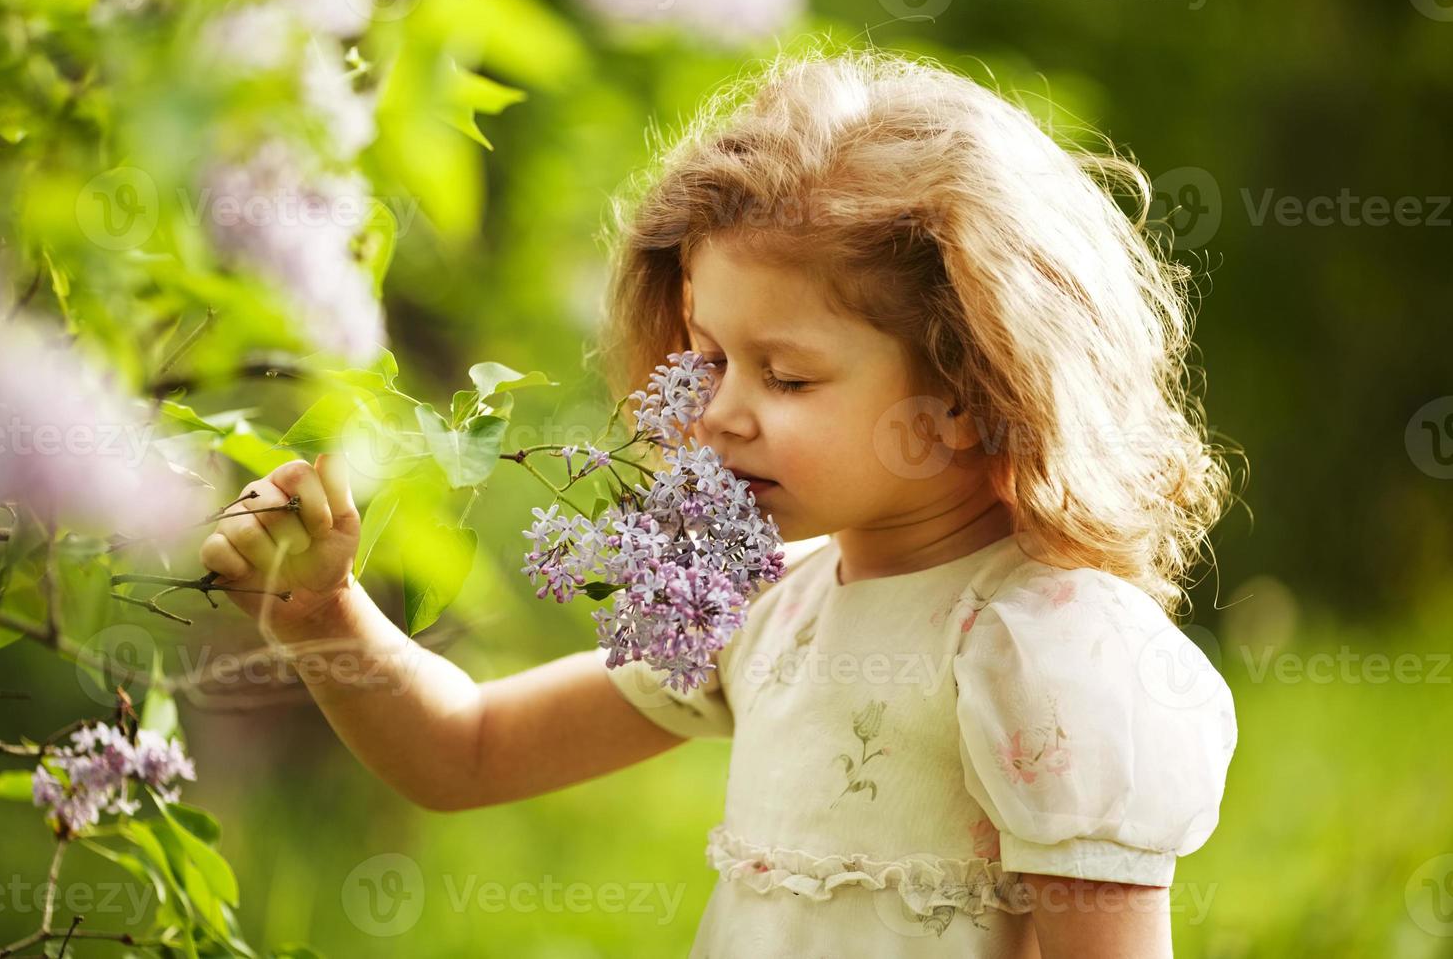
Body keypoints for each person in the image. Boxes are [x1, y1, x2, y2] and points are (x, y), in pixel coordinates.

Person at [199, 47, 1240, 958]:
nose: (722, 412)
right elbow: (469, 748)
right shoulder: (752, 603)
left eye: (786, 377)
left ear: (967, 396)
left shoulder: (1047, 646)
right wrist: (325, 616)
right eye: (705, 359)